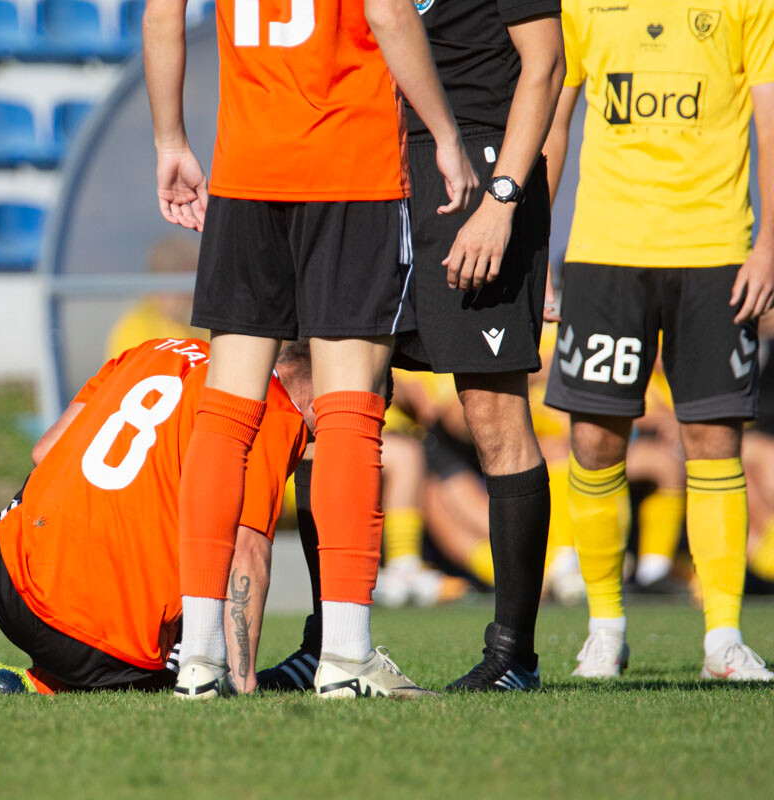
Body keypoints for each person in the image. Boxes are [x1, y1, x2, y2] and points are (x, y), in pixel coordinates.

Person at [144, 0, 477, 700]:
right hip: (349, 170)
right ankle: (346, 658)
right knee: (350, 412)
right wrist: (445, 134)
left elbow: (162, 15)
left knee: (225, 416)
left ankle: (199, 659)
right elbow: (388, 12)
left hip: (246, 172)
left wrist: (170, 139)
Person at [259, 0, 566, 693]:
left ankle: (514, 654)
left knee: (495, 418)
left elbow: (546, 65)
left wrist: (502, 202)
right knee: (335, 412)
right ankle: (329, 641)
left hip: (475, 169)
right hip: (366, 165)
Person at [543, 0, 774, 680]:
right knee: (592, 440)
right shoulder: (579, 4)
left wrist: (768, 245)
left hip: (715, 249)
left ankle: (723, 637)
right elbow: (554, 119)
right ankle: (605, 627)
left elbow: (769, 118)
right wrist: (532, 252)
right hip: (606, 251)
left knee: (713, 440)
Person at [0, 338, 310, 694]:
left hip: (4, 576)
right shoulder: (275, 410)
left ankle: (39, 680)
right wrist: (243, 680)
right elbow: (247, 551)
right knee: (209, 548)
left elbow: (45, 450)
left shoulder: (155, 349)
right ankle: (61, 678)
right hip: (93, 642)